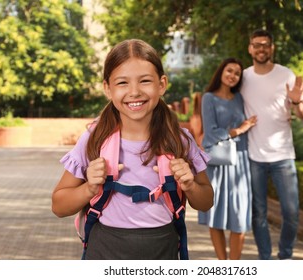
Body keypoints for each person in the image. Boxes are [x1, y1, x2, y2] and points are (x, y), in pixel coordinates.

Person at [51, 39, 213, 260]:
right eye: (122, 83)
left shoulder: (179, 140)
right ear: (107, 88)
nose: (134, 92)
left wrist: (191, 185)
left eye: (145, 81)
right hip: (105, 250)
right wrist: (89, 188)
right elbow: (59, 206)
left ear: (162, 84)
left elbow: (206, 201)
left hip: (162, 249)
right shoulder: (94, 139)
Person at [240, 29, 303, 260]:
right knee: (258, 213)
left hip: (283, 155)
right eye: (256, 44)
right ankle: (265, 260)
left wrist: (298, 101)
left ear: (272, 48)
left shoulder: (286, 75)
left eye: (265, 44)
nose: (261, 48)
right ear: (250, 48)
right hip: (253, 156)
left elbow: (302, 114)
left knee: (291, 212)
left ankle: (285, 255)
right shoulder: (244, 77)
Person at [198, 58, 257, 260]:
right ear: (221, 72)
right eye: (229, 70)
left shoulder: (240, 98)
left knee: (239, 220)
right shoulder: (208, 98)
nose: (232, 75)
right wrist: (239, 129)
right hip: (218, 163)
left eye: (237, 73)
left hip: (240, 162)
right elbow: (210, 134)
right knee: (216, 217)